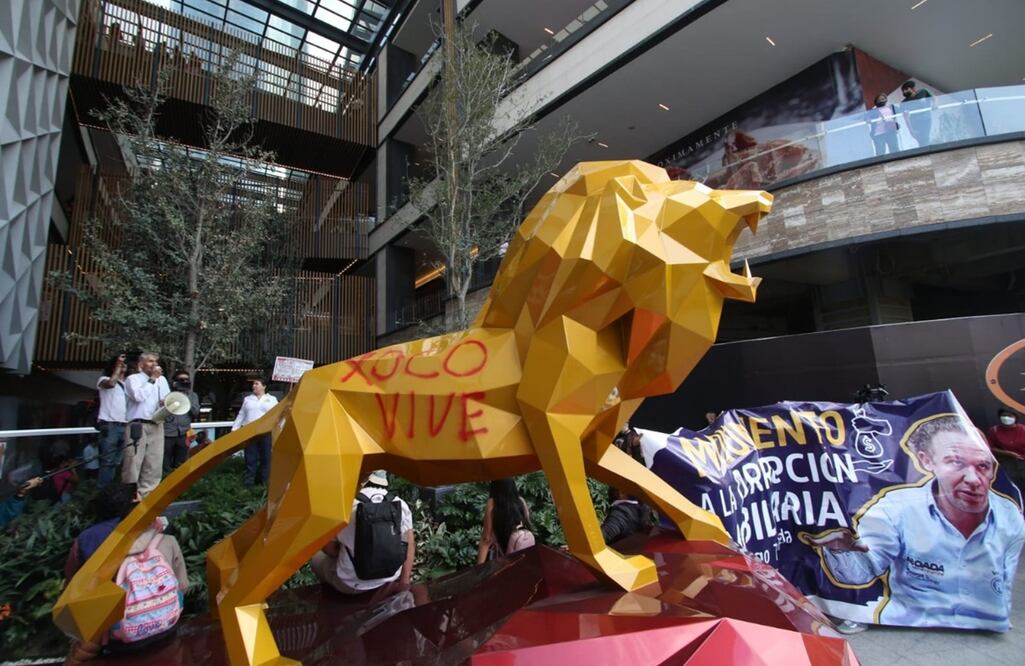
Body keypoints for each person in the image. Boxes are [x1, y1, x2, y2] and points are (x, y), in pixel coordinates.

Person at [806, 415, 1025, 633]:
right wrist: (843, 552)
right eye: (955, 462)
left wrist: (998, 613)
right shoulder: (895, 508)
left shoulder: (1009, 515)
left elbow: (1004, 579)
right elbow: (861, 574)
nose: (973, 478)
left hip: (985, 617)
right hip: (905, 614)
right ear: (927, 461)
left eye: (983, 466)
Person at [64, 482, 188, 661]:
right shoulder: (164, 538)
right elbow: (182, 585)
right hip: (166, 626)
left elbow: (73, 584)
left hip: (113, 636)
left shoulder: (86, 539)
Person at [311, 471, 414, 595]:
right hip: (389, 578)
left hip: (350, 584)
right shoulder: (399, 504)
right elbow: (410, 544)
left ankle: (330, 600)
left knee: (316, 558)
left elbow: (329, 549)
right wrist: (404, 582)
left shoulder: (346, 506)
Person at [122, 352, 170, 496]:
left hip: (157, 424)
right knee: (133, 462)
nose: (154, 363)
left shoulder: (162, 380)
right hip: (137, 425)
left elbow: (167, 400)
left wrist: (165, 403)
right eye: (150, 361)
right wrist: (152, 379)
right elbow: (138, 397)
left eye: (156, 361)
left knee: (154, 464)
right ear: (141, 364)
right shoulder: (133, 379)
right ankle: (130, 496)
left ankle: (148, 496)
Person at [232, 378, 278, 486]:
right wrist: (235, 429)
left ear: (264, 386)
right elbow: (241, 414)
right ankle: (249, 484)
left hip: (266, 433)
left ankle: (264, 484)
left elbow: (278, 415)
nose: (254, 386)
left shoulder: (272, 399)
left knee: (266, 459)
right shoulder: (248, 399)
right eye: (253, 384)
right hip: (250, 433)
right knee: (250, 459)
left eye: (257, 384)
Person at [476, 478, 535, 563]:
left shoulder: (492, 503)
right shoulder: (521, 501)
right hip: (525, 553)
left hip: (504, 556)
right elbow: (527, 525)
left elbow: (486, 539)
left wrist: (479, 568)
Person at [96, 354, 128, 488]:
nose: (123, 366)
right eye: (120, 364)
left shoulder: (127, 384)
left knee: (118, 461)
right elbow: (111, 384)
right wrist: (117, 368)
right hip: (110, 425)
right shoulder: (103, 380)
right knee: (107, 460)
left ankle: (111, 490)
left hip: (125, 425)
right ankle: (103, 489)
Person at [163, 371, 200, 474]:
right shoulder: (167, 394)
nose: (184, 382)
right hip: (167, 432)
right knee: (165, 462)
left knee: (181, 463)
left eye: (186, 380)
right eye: (181, 380)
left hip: (183, 433)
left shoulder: (192, 396)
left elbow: (196, 412)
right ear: (174, 382)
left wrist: (185, 398)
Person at [986, 408, 1025, 491]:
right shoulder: (994, 430)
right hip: (1006, 464)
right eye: (1004, 416)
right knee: (1011, 488)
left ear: (1015, 417)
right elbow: (990, 448)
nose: (1006, 418)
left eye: (1009, 416)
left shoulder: (1023, 429)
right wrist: (1007, 453)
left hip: (1023, 462)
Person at [901, 80, 934, 148]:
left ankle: (925, 151)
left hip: (926, 119)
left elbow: (934, 98)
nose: (905, 92)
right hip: (915, 122)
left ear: (913, 88)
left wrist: (935, 105)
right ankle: (925, 151)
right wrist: (911, 130)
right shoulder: (904, 102)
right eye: (903, 90)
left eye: (907, 89)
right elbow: (906, 118)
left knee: (925, 137)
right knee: (921, 139)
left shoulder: (923, 92)